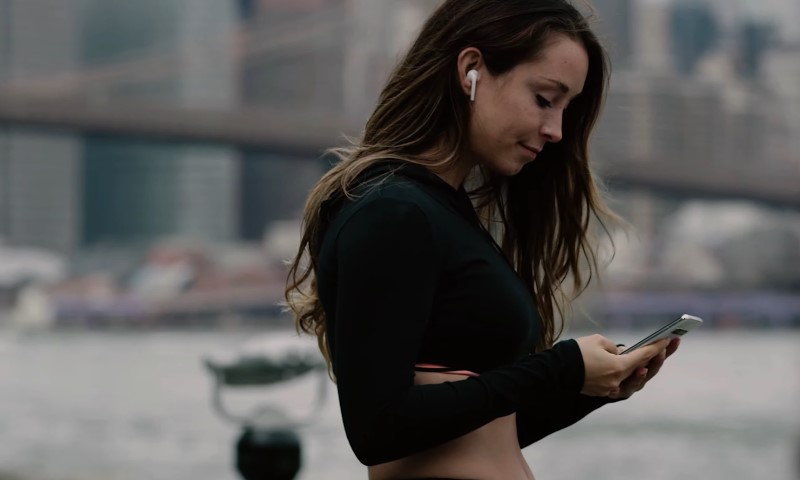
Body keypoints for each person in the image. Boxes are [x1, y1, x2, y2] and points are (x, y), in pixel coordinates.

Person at [285, 1, 680, 478]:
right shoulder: (395, 212)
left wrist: (590, 388)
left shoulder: (442, 213)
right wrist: (560, 369)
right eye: (544, 98)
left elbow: (477, 435)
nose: (556, 131)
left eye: (566, 109)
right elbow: (378, 429)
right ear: (471, 69)